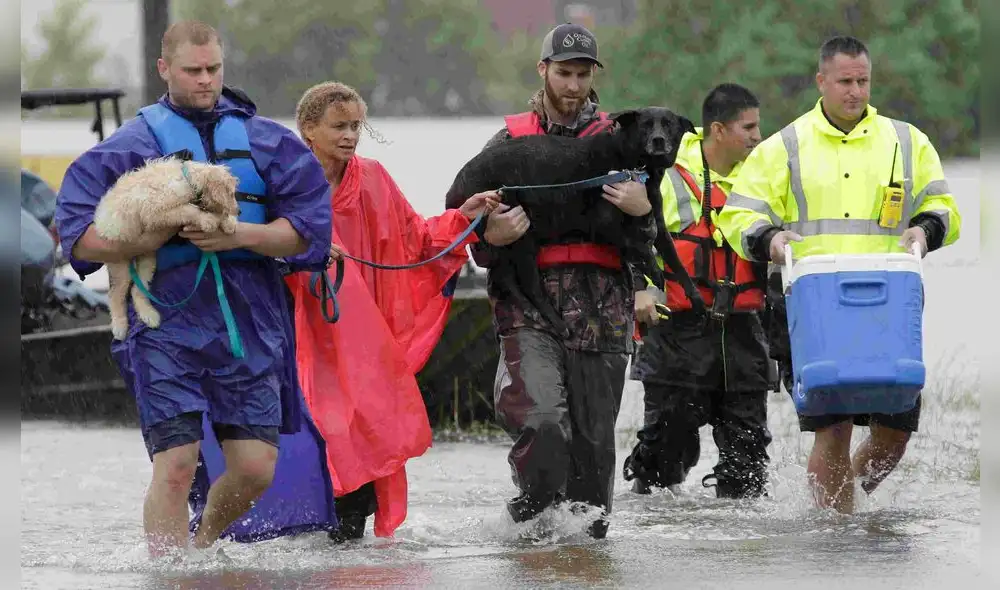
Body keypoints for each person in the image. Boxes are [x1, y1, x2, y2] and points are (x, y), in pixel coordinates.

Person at [53, 20, 335, 559]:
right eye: (192, 70)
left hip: (250, 324)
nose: (206, 80)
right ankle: (167, 569)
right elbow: (80, 241)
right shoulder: (129, 147)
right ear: (165, 70)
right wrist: (155, 232)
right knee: (177, 463)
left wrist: (234, 234)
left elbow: (308, 233)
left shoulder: (266, 142)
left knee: (255, 468)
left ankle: (201, 549)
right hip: (163, 322)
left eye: (214, 69)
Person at [716, 35, 962, 514]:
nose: (855, 91)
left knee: (894, 434)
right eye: (845, 81)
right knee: (834, 426)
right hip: (810, 305)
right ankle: (836, 532)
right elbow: (737, 215)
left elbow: (945, 209)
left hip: (886, 304)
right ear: (821, 81)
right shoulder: (784, 146)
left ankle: (836, 507)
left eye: (863, 80)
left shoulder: (908, 141)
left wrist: (926, 229)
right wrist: (769, 239)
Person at [449, 22, 656, 539]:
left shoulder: (621, 139)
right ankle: (530, 522)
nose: (573, 86)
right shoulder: (508, 140)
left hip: (604, 312)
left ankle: (585, 553)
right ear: (543, 70)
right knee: (540, 421)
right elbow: (466, 225)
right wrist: (492, 236)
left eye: (583, 75)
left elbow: (650, 237)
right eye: (563, 73)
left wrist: (644, 207)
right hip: (527, 307)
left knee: (593, 447)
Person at [280, 80, 498, 542]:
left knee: (364, 439)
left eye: (356, 125)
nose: (350, 135)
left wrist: (465, 217)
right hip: (302, 336)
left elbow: (416, 239)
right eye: (339, 126)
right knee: (320, 435)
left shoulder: (375, 178)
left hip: (364, 340)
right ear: (307, 129)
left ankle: (347, 555)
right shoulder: (283, 183)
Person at [623, 83, 773, 499]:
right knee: (661, 464)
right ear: (718, 131)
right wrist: (641, 290)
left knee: (747, 468)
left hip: (744, 338)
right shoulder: (665, 175)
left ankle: (738, 552)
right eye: (750, 127)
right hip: (677, 339)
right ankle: (659, 537)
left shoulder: (766, 176)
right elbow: (634, 241)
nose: (758, 137)